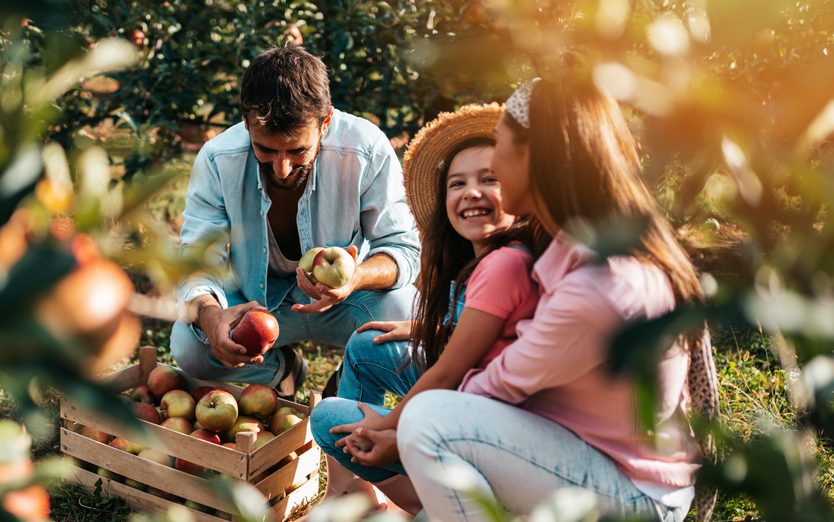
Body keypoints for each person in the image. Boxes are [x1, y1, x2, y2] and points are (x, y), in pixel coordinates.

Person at [386, 77, 718, 521]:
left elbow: (498, 387)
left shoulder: (601, 283)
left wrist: (397, 433)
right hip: (589, 457)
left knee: (428, 423)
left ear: (533, 159)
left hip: (636, 496)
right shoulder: (572, 246)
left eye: (500, 148)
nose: (495, 167)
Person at [308, 104, 546, 513]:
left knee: (331, 420)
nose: (472, 192)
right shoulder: (484, 259)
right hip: (469, 406)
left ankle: (428, 504)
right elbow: (481, 328)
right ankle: (359, 493)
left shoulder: (505, 265)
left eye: (490, 179)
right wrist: (422, 327)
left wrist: (389, 428)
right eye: (458, 183)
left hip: (480, 425)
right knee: (367, 345)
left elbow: (451, 372)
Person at [170, 46, 420, 397]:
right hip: (255, 300)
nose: (282, 168)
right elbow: (197, 257)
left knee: (405, 313)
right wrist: (212, 318)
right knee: (188, 346)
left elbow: (403, 249)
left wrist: (355, 277)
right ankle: (281, 372)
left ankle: (350, 377)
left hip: (343, 302)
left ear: (326, 122)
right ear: (246, 123)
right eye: (266, 150)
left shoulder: (366, 149)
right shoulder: (218, 159)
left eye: (297, 151)